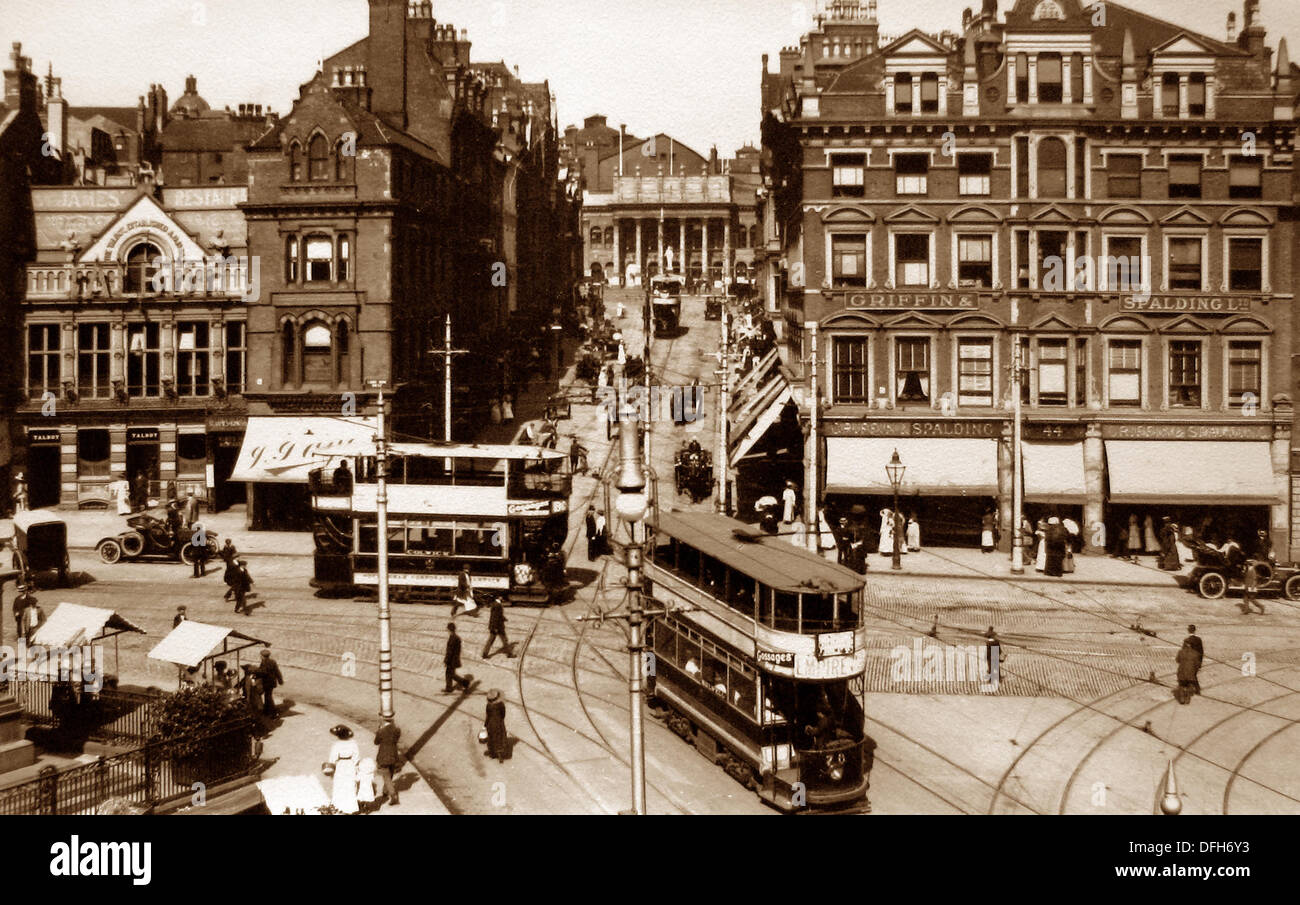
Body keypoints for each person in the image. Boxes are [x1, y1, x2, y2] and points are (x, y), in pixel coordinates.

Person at [324, 725, 360, 814]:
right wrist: (355, 765)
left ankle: (339, 806)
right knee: (350, 785)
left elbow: (333, 758)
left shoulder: (337, 745)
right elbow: (357, 756)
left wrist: (332, 765)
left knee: (340, 785)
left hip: (340, 765)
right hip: (350, 765)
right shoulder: (353, 743)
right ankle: (351, 808)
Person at [374, 719, 402, 807]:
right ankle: (385, 791)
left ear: (383, 721)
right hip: (394, 754)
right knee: (390, 772)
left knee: (386, 775)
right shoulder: (397, 730)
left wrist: (378, 730)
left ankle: (393, 796)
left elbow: (376, 742)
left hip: (384, 755)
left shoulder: (381, 731)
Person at [443, 623, 472, 693]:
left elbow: (449, 652)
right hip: (455, 659)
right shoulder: (456, 637)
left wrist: (446, 661)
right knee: (450, 674)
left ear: (449, 630)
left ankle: (464, 683)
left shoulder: (452, 638)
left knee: (449, 674)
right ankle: (449, 687)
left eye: (447, 629)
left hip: (451, 660)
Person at [257, 649, 284, 717]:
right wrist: (280, 680)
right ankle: (267, 710)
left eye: (261, 655)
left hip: (266, 682)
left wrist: (256, 674)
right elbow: (277, 671)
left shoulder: (263, 662)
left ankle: (273, 712)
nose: (260, 657)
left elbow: (263, 672)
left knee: (268, 697)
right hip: (272, 682)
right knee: (267, 695)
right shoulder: (273, 662)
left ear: (263, 656)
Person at [484, 689, 508, 762]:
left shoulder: (488, 706)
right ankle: (500, 755)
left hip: (491, 723)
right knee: (500, 738)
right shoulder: (501, 704)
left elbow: (488, 715)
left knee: (492, 738)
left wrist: (485, 725)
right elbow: (503, 714)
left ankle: (492, 754)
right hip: (499, 723)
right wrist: (501, 720)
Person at [1175, 640, 1200, 705]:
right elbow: (1197, 665)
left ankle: (1182, 699)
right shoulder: (1195, 653)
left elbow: (1177, 660)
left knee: (1181, 685)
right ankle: (1188, 698)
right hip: (1191, 674)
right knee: (1189, 685)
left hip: (1181, 672)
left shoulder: (1181, 652)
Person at [1182, 626, 1203, 695]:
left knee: (1190, 675)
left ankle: (1196, 689)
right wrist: (1200, 663)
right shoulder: (1199, 640)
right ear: (1194, 631)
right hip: (1197, 661)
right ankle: (1196, 689)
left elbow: (1183, 652)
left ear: (1188, 631)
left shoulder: (1186, 640)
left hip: (1189, 662)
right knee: (1193, 675)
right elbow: (1201, 652)